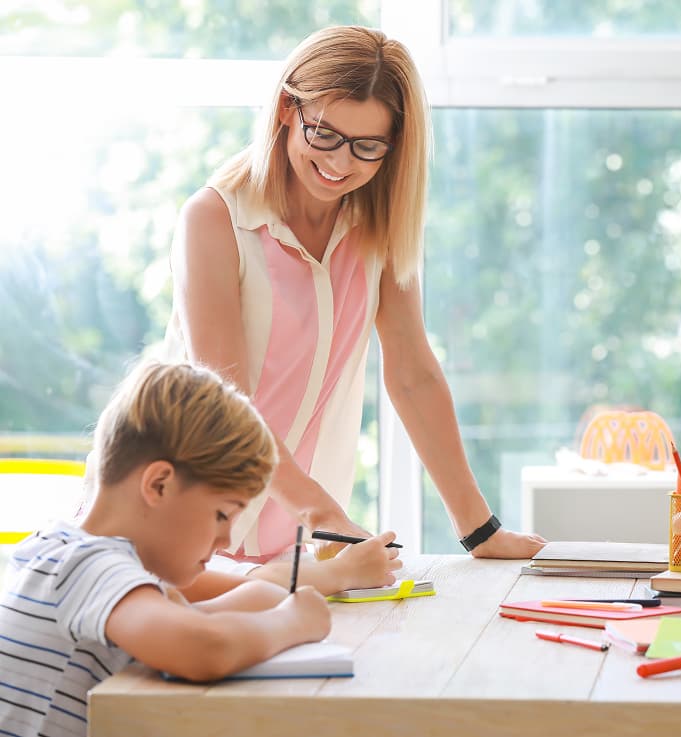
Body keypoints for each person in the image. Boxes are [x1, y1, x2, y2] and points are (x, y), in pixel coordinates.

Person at [166, 25, 545, 573]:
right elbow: (227, 401)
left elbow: (413, 374)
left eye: (368, 147)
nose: (341, 164)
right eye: (325, 134)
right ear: (285, 110)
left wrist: (479, 530)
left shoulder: (380, 229)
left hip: (292, 540)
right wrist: (325, 512)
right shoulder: (215, 219)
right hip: (177, 517)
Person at [0, 361, 365, 736]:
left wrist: (257, 601)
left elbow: (220, 610)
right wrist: (294, 622)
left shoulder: (60, 547)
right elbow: (203, 648)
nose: (226, 540)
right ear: (159, 485)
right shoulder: (88, 565)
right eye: (222, 515)